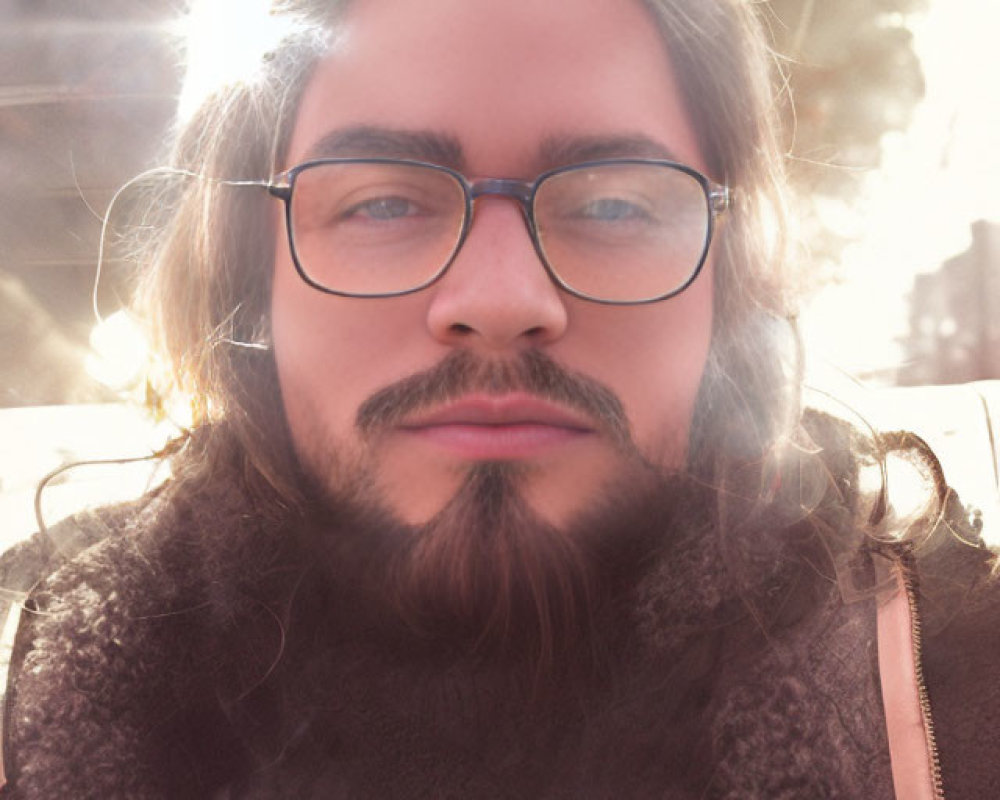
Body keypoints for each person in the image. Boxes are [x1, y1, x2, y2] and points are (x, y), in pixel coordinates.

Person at [0, 0, 997, 797]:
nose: (501, 301)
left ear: (724, 279)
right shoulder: (23, 697)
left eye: (612, 201)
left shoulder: (949, 691)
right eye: (384, 200)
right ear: (245, 275)